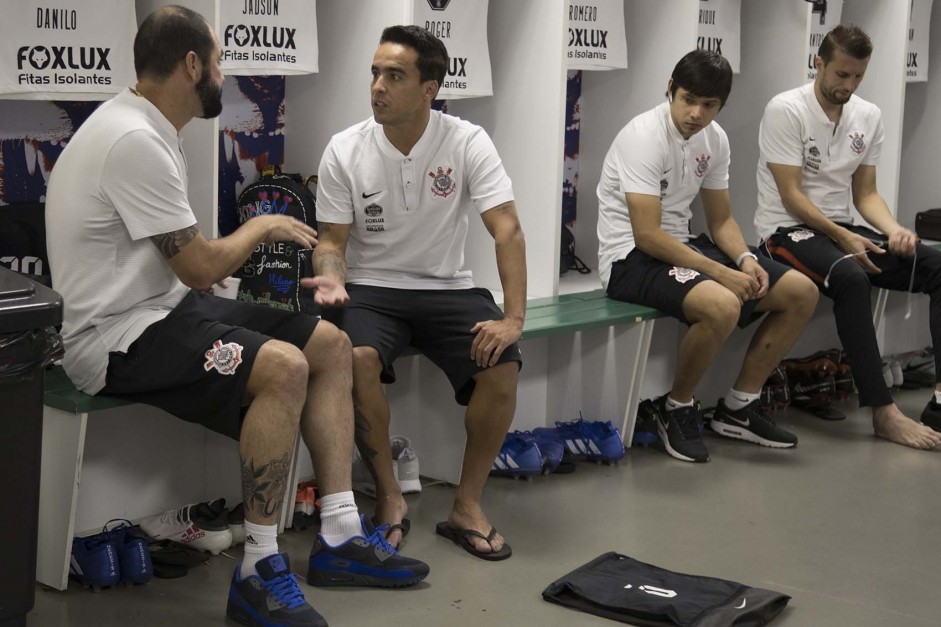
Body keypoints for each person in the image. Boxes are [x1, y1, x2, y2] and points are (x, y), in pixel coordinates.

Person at [45, 6, 428, 627]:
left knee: (328, 344)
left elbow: (184, 268)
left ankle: (337, 533)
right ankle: (259, 568)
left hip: (163, 309)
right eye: (219, 61)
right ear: (192, 64)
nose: (223, 73)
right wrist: (265, 224)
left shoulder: (147, 126)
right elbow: (197, 264)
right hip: (112, 338)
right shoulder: (133, 139)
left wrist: (221, 271)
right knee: (282, 368)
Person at [305, 25, 525, 560]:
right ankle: (388, 497)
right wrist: (332, 276)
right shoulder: (345, 147)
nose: (377, 86)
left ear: (430, 88)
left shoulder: (467, 140)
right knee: (354, 358)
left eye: (394, 75)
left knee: (501, 365)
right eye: (375, 73)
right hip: (372, 289)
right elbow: (332, 241)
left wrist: (513, 318)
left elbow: (507, 229)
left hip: (447, 287)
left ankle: (467, 505)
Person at [597, 49, 819, 463]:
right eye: (688, 100)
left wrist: (745, 261)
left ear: (721, 105)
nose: (697, 113)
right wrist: (721, 273)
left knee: (800, 291)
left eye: (709, 105)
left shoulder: (715, 140)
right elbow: (646, 235)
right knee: (722, 304)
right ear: (670, 88)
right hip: (629, 258)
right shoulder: (643, 136)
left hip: (684, 246)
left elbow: (722, 222)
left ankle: (739, 407)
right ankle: (676, 407)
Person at [755, 24, 941, 450]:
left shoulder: (868, 115)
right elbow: (791, 195)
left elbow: (866, 194)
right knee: (852, 276)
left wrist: (893, 229)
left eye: (858, 76)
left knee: (935, 266)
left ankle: (940, 399)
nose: (849, 85)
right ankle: (883, 411)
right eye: (841, 75)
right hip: (786, 231)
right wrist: (844, 237)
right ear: (818, 63)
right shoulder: (786, 109)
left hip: (840, 228)